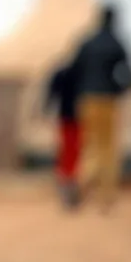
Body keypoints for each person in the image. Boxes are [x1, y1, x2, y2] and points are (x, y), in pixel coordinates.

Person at [69, 4, 131, 211]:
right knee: (108, 148)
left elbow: (74, 70)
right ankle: (106, 196)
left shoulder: (87, 42)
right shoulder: (117, 43)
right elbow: (130, 73)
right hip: (108, 99)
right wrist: (120, 89)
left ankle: (81, 183)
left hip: (87, 99)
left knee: (89, 144)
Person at [44, 61, 82, 209]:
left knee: (68, 153)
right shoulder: (81, 74)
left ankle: (68, 187)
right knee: (71, 153)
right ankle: (69, 188)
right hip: (74, 118)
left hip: (68, 117)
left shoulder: (63, 73)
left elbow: (52, 93)